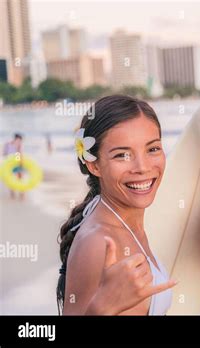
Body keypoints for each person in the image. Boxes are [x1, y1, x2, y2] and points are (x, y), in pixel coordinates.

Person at [56, 95, 176, 315]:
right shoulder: (98, 242)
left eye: (152, 149)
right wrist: (102, 308)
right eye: (122, 155)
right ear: (94, 166)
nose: (142, 167)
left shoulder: (122, 220)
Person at [2, 133, 24, 200]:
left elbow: (4, 154)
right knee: (16, 178)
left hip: (11, 163)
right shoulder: (15, 145)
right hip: (13, 163)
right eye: (19, 140)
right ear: (16, 138)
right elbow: (18, 155)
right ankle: (16, 194)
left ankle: (19, 194)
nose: (20, 141)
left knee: (18, 178)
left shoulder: (8, 144)